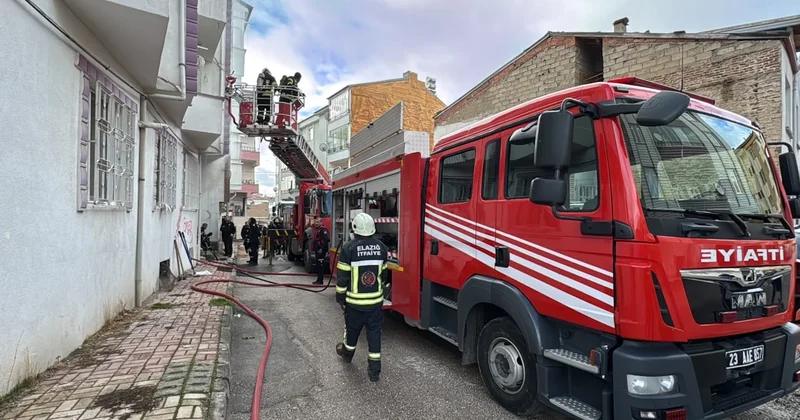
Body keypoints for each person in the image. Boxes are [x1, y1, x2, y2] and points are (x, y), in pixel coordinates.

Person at [335, 213, 388, 382]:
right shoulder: (381, 247)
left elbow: (342, 277)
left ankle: (347, 354)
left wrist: (340, 297)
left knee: (352, 330)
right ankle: (374, 371)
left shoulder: (348, 248)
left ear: (355, 228)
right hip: (375, 302)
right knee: (374, 334)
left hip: (355, 302)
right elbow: (384, 274)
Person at [310, 217, 330, 285]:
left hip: (321, 251)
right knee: (318, 265)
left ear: (321, 222)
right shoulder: (317, 229)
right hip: (318, 250)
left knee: (320, 266)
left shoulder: (323, 230)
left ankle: (320, 280)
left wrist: (321, 249)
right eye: (315, 222)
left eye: (318, 222)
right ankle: (318, 280)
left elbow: (327, 239)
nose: (316, 223)